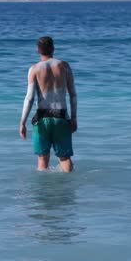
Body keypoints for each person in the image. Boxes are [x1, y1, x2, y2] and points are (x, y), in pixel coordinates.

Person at [19, 36, 77, 172]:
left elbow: (29, 98)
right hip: (61, 117)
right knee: (65, 158)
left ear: (38, 50)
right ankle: (69, 184)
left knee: (42, 159)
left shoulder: (34, 69)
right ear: (53, 48)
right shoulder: (64, 66)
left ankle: (43, 186)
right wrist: (74, 118)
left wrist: (22, 122)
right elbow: (73, 95)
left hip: (42, 118)